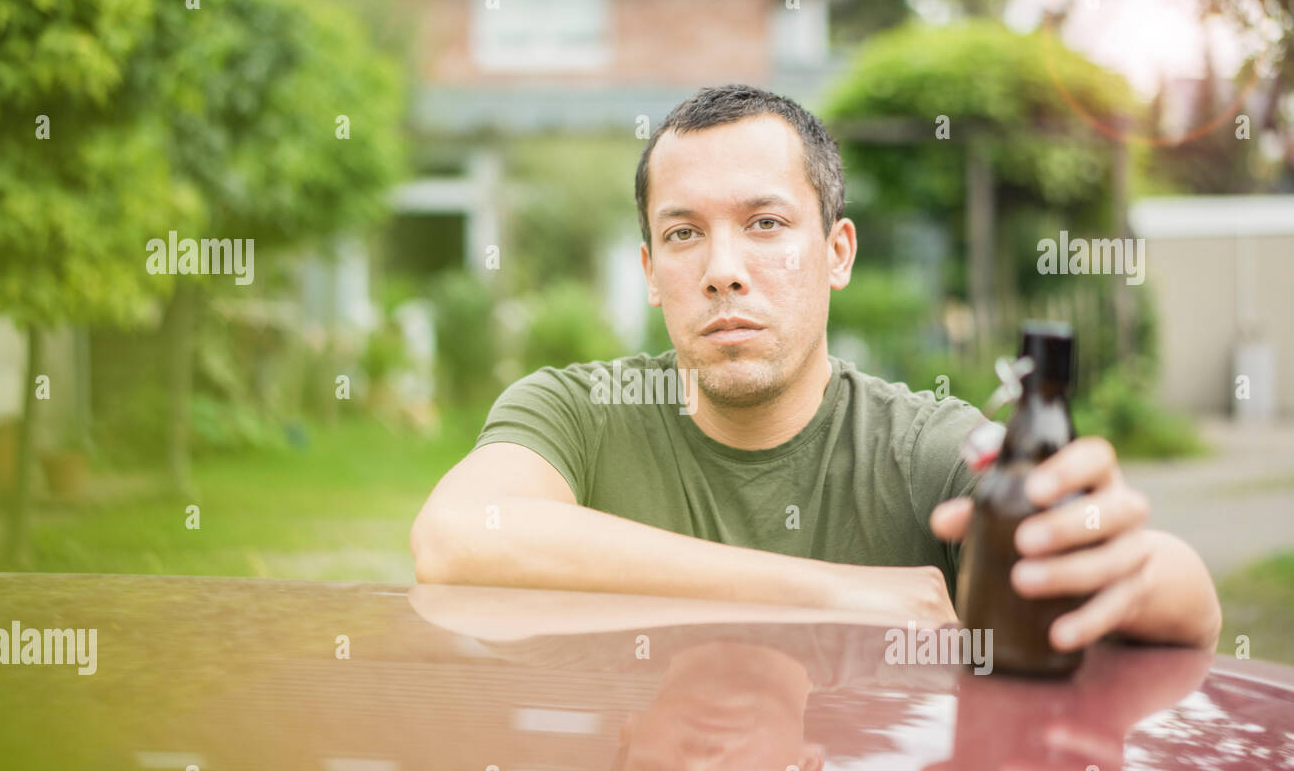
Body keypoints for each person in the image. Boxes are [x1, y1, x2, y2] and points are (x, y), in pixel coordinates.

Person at [410, 83, 1221, 653]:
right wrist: (836, 594)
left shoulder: (926, 449)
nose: (723, 268)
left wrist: (1114, 552)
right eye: (685, 233)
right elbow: (456, 535)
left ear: (836, 253)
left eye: (765, 222)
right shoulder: (575, 413)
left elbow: (1187, 604)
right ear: (653, 271)